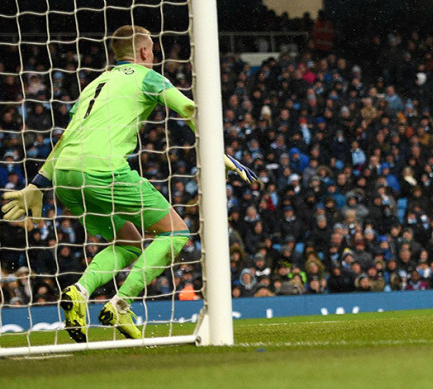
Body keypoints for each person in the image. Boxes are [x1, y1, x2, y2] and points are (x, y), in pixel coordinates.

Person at [1, 25, 259, 341]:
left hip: (65, 175)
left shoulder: (95, 84)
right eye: (153, 49)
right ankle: (121, 303)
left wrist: (37, 185)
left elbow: (67, 137)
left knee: (129, 241)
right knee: (176, 232)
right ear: (145, 51)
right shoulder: (147, 77)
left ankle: (80, 291)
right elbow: (190, 109)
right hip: (103, 170)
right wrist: (217, 153)